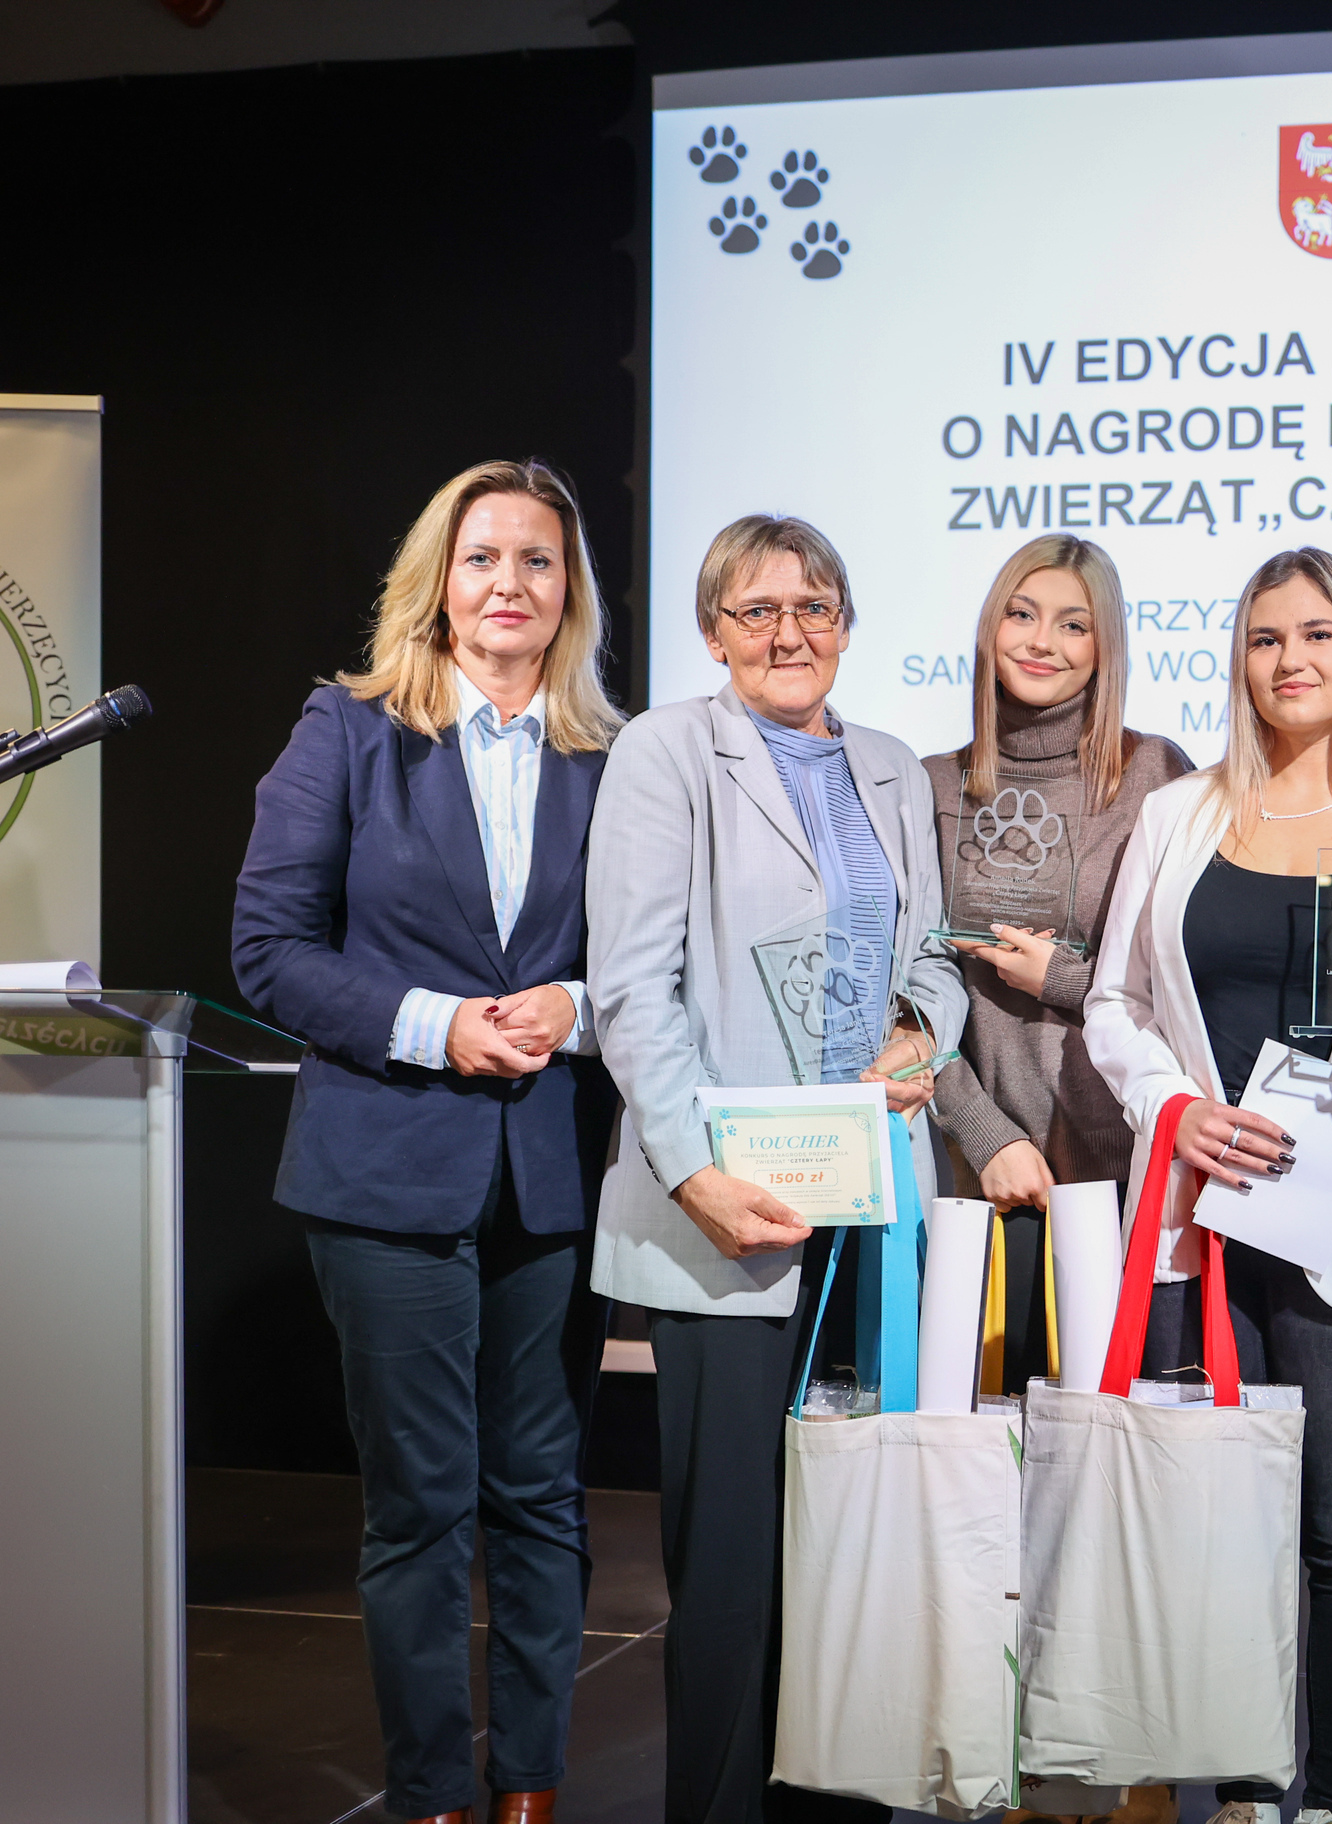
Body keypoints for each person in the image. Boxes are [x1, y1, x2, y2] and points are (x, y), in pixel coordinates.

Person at [231, 458, 624, 1824]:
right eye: (482, 558)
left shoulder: (616, 757)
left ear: (570, 591)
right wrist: (434, 1026)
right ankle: (433, 1792)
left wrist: (577, 1005)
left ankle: (531, 1785)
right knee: (420, 1503)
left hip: (553, 1177)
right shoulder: (346, 731)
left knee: (543, 1493)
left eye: (537, 559)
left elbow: (656, 956)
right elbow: (270, 949)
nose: (510, 582)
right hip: (384, 1172)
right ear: (437, 584)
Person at [584, 514, 964, 1824]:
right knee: (735, 1565)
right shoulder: (665, 753)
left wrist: (919, 1035)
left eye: (815, 606)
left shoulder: (891, 766)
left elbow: (934, 958)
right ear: (713, 632)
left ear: (847, 624)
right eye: (758, 610)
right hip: (729, 1215)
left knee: (856, 1546)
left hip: (872, 1208)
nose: (790, 631)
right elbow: (631, 991)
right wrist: (695, 1175)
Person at [1084, 546, 1332, 1824]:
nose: (1290, 660)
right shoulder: (1180, 816)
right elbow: (1115, 1005)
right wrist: (1174, 1109)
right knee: (1218, 1526)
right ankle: (1246, 1794)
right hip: (1200, 1221)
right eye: (1264, 638)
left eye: (1315, 635)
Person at [919, 534, 1191, 1394]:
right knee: (981, 1452)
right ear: (990, 627)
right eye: (1022, 614)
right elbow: (903, 998)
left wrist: (1065, 980)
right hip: (979, 1174)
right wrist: (981, 1131)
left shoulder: (1157, 776)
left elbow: (1185, 983)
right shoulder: (929, 785)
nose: (1043, 642)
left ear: (1105, 647)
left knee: (1111, 1450)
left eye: (1074, 624)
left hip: (1124, 1177)